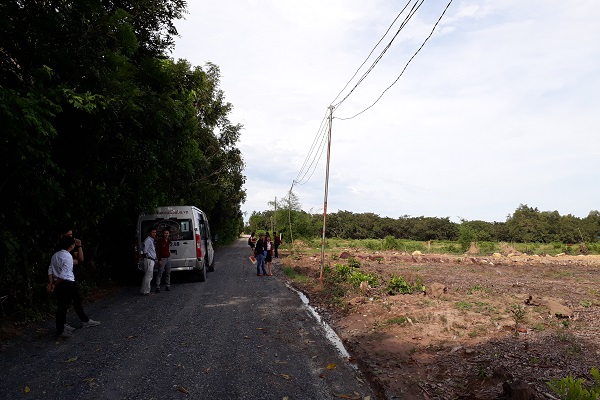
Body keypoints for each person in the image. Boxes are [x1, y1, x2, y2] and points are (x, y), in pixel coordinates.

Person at [47, 235, 100, 339]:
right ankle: (60, 330)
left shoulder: (55, 255)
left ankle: (81, 321)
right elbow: (64, 274)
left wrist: (51, 282)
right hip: (66, 283)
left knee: (70, 303)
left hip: (62, 283)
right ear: (71, 246)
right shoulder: (67, 256)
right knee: (63, 307)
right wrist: (54, 284)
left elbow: (50, 269)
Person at [141, 227, 157, 295]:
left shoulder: (151, 240)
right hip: (149, 260)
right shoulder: (148, 240)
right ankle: (146, 291)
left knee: (147, 276)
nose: (154, 234)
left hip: (151, 259)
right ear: (149, 233)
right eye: (153, 232)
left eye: (155, 232)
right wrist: (148, 256)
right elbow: (145, 250)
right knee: (149, 276)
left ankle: (143, 290)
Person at [155, 228, 172, 293]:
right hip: (162, 258)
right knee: (160, 273)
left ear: (169, 234)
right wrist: (159, 260)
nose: (166, 234)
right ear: (163, 234)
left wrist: (170, 255)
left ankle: (168, 286)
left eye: (167, 233)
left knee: (168, 273)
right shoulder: (160, 241)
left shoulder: (168, 241)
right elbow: (158, 251)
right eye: (165, 233)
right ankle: (157, 287)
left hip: (168, 258)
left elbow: (169, 248)